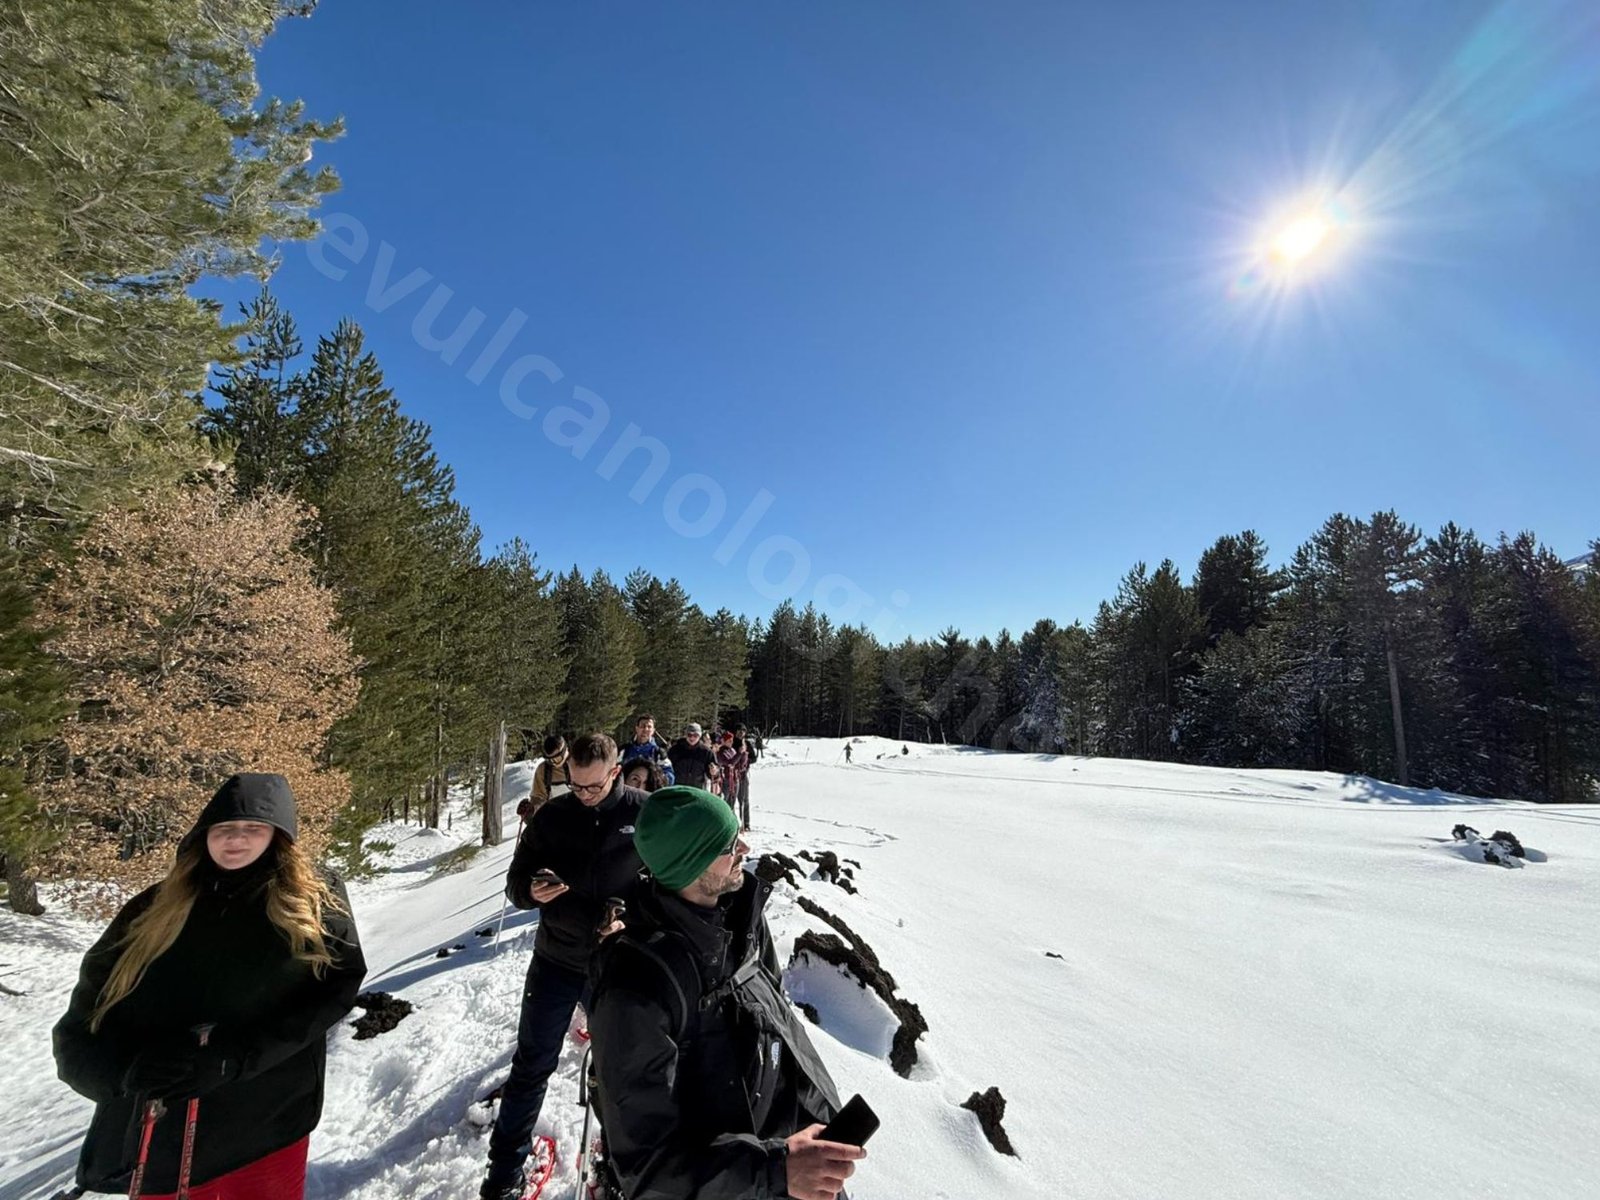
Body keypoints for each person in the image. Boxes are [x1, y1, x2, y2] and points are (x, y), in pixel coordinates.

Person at [53, 773, 365, 1199]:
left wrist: (233, 1059)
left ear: (279, 836)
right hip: (163, 1126)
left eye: (253, 829)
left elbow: (331, 992)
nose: (236, 840)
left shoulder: (311, 903)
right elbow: (83, 1023)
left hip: (266, 1122)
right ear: (203, 836)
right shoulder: (152, 910)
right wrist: (123, 1074)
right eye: (223, 829)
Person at [588, 786, 864, 1200]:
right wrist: (776, 1170)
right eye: (728, 844)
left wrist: (817, 1131)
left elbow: (778, 1030)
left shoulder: (741, 922)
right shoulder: (635, 989)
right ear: (691, 863)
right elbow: (647, 1169)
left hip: (791, 1164)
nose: (745, 847)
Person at [483, 733, 646, 1200]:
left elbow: (666, 885)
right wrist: (530, 892)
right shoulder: (553, 815)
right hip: (556, 959)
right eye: (575, 786)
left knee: (623, 1071)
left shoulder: (643, 811)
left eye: (593, 787)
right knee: (532, 1065)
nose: (584, 795)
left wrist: (631, 919)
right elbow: (516, 880)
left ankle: (620, 1171)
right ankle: (502, 1176)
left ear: (615, 772)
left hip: (618, 962)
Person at [520, 734, 571, 818]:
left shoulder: (580, 765)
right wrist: (531, 810)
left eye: (557, 759)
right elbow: (538, 799)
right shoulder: (544, 770)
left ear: (565, 750)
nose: (554, 763)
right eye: (550, 760)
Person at [619, 713, 675, 785]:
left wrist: (656, 782)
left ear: (653, 730)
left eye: (649, 727)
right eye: (642, 726)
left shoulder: (659, 753)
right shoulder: (625, 750)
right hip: (627, 792)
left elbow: (669, 777)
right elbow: (614, 770)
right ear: (637, 728)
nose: (645, 729)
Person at [667, 722, 717, 790]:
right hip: (677, 788)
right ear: (686, 735)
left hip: (696, 789)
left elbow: (714, 772)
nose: (692, 738)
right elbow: (668, 768)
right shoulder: (675, 750)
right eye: (689, 735)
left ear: (699, 736)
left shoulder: (706, 752)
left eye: (695, 735)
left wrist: (714, 771)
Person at [714, 731, 749, 829]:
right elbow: (730, 762)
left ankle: (731, 824)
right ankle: (723, 824)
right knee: (725, 802)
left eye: (732, 740)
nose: (731, 742)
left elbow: (740, 764)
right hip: (726, 779)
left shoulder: (732, 750)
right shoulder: (720, 752)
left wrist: (744, 755)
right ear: (724, 741)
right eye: (729, 740)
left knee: (732, 803)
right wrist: (739, 753)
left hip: (735, 778)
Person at [733, 725, 755, 826]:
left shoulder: (747, 743)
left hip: (743, 774)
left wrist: (746, 761)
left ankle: (746, 823)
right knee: (731, 800)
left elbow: (754, 758)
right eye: (739, 731)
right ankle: (732, 823)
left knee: (744, 799)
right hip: (732, 775)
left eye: (743, 731)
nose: (741, 733)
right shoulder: (731, 742)